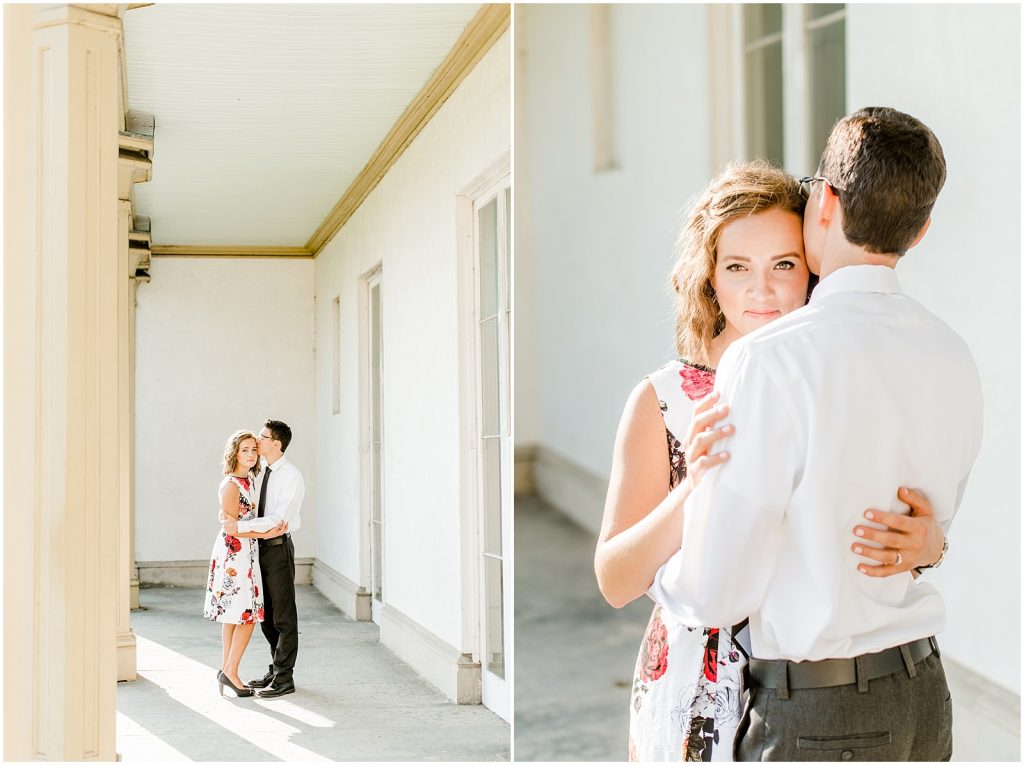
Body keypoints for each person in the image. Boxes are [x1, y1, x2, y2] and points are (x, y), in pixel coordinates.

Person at [650, 108, 983, 761]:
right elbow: (919, 532)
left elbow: (720, 590)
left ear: (822, 201)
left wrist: (667, 574)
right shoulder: (954, 353)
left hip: (823, 712)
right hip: (924, 696)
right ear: (920, 232)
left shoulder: (769, 360)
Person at [223, 419, 305, 699]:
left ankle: (285, 678)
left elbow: (277, 520)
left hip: (278, 548)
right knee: (266, 615)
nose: (257, 440)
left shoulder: (291, 476)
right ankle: (275, 668)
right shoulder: (261, 472)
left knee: (283, 616)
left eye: (262, 436)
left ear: (276, 443)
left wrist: (239, 528)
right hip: (258, 548)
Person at [204, 430, 288, 697]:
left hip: (246, 552)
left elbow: (242, 522)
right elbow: (231, 529)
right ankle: (231, 671)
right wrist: (267, 533)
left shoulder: (248, 480)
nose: (251, 455)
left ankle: (226, 668)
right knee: (247, 615)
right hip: (235, 556)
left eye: (254, 449)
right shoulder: (231, 485)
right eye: (245, 450)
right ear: (234, 454)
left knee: (235, 614)